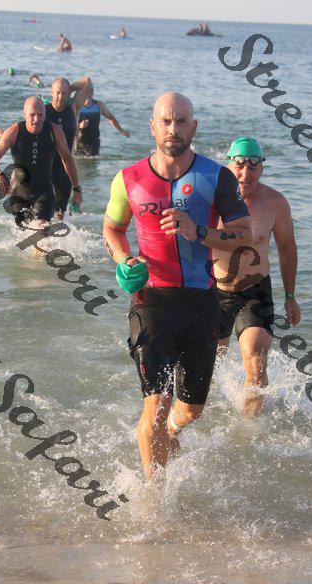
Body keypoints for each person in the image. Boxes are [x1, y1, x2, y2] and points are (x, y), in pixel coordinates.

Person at [103, 92, 253, 480]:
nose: (174, 129)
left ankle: (172, 431)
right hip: (151, 300)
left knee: (190, 409)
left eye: (182, 121)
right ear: (152, 126)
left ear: (194, 127)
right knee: (156, 402)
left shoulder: (217, 177)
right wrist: (124, 259)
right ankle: (154, 497)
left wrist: (198, 231)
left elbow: (244, 233)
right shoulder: (129, 178)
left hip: (201, 302)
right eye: (166, 121)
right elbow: (112, 229)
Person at [213, 137, 301, 416]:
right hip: (212, 291)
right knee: (208, 365)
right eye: (239, 166)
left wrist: (290, 296)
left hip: (255, 292)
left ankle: (250, 430)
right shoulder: (211, 199)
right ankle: (206, 419)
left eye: (253, 167)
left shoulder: (275, 202)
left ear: (262, 168)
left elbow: (287, 248)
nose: (245, 173)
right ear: (229, 165)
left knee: (255, 361)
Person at [0, 96, 82, 229]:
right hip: (18, 192)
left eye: (40, 115)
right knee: (24, 233)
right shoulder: (13, 131)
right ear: (24, 114)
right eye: (32, 115)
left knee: (42, 230)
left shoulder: (55, 131)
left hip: (44, 191)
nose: (37, 119)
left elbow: (67, 159)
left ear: (45, 114)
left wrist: (76, 189)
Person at [45, 76, 91, 218]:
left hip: (65, 170)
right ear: (51, 92)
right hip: (45, 168)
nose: (60, 97)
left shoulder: (73, 108)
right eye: (57, 92)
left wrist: (69, 87)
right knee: (43, 213)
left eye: (64, 93)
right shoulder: (43, 111)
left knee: (60, 214)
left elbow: (87, 82)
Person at [75, 85, 130, 157]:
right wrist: (79, 126)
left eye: (90, 91)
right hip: (78, 141)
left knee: (93, 161)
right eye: (86, 92)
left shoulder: (99, 105)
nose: (88, 94)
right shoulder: (77, 106)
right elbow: (70, 123)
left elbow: (110, 118)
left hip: (94, 142)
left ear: (93, 93)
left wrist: (121, 130)